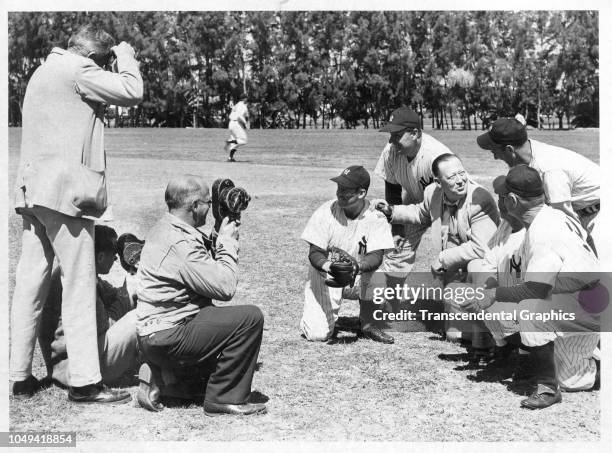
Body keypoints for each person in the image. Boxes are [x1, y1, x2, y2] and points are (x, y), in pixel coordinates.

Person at [10, 25, 143, 403]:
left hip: (34, 192)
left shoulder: (42, 71)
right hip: (66, 196)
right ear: (94, 58)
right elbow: (133, 91)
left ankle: (18, 376)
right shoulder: (80, 70)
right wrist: (126, 55)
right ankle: (85, 382)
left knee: (30, 285)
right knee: (80, 284)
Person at [452, 165, 601, 409]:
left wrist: (492, 294)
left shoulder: (543, 232)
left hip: (590, 303)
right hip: (580, 297)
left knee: (533, 311)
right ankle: (533, 363)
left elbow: (536, 290)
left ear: (511, 200)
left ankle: (548, 387)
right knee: (511, 310)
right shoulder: (551, 215)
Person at [135, 175, 266, 416]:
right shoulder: (180, 243)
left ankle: (167, 379)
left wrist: (218, 228)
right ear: (194, 206)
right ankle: (224, 398)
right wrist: (227, 242)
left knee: (212, 316)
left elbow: (200, 265)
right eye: (208, 202)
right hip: (169, 335)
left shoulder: (166, 228)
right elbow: (224, 287)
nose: (211, 206)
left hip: (156, 334)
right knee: (250, 318)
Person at [375, 154, 499, 340]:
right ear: (438, 182)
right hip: (455, 272)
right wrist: (392, 211)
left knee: (478, 266)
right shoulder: (433, 192)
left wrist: (443, 259)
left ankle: (494, 329)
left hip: (485, 269)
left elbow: (482, 248)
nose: (460, 181)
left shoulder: (480, 199)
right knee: (454, 336)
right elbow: (420, 213)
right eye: (451, 177)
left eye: (461, 173)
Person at [300, 165, 395, 344]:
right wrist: (330, 266)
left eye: (346, 190)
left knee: (380, 276)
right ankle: (315, 316)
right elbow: (315, 253)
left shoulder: (376, 217)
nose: (340, 193)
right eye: (339, 188)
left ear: (361, 193)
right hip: (326, 275)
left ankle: (368, 324)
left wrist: (356, 267)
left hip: (357, 276)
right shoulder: (326, 211)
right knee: (317, 335)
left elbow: (376, 256)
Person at [477, 117, 600, 254]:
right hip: (582, 210)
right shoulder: (526, 152)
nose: (495, 157)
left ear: (510, 150)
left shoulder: (549, 170)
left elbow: (567, 224)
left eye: (495, 151)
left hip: (598, 213)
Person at [38, 226, 141, 388]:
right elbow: (108, 325)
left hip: (66, 365)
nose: (115, 262)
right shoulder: (84, 281)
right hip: (76, 370)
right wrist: (126, 293)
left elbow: (111, 294)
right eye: (114, 258)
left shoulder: (76, 270)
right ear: (100, 257)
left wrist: (129, 286)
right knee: (137, 318)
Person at [374, 107, 453, 277]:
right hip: (414, 204)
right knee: (396, 253)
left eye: (397, 135)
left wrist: (445, 228)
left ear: (415, 133)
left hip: (448, 208)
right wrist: (397, 228)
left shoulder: (436, 156)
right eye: (390, 135)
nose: (391, 141)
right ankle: (391, 300)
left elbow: (457, 196)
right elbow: (393, 191)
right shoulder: (391, 152)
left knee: (451, 260)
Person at [225, 94, 250, 162]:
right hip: (236, 123)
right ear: (244, 99)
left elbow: (245, 114)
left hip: (231, 123)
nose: (247, 99)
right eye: (246, 98)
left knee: (236, 142)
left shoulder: (237, 105)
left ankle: (230, 158)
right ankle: (229, 141)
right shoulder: (243, 106)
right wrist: (245, 123)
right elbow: (240, 115)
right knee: (243, 140)